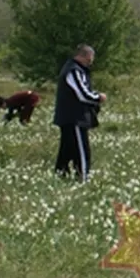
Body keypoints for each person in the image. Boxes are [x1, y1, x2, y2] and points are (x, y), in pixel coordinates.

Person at [53, 44, 106, 182]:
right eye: (89, 60)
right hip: (74, 117)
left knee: (67, 148)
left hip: (70, 116)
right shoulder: (73, 70)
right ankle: (83, 177)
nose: (90, 64)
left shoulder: (75, 69)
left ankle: (60, 174)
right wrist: (98, 97)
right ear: (82, 56)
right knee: (81, 150)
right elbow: (82, 94)